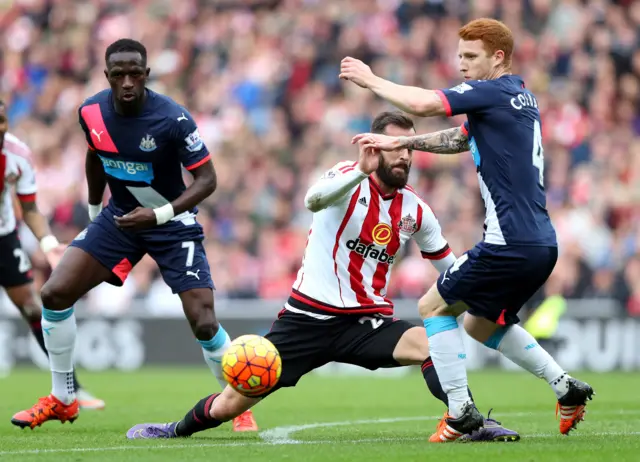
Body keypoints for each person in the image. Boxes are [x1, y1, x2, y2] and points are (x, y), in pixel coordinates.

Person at [125, 111, 519, 443]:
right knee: (233, 401)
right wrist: (359, 171)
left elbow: (449, 272)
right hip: (306, 320)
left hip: (367, 322)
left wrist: (486, 289)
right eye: (394, 146)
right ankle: (173, 431)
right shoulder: (347, 177)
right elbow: (312, 200)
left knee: (432, 346)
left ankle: (470, 422)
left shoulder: (416, 210)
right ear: (373, 148)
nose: (404, 155)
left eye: (409, 148)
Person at [340, 18, 594, 442]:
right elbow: (460, 139)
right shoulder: (518, 99)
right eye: (459, 56)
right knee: (479, 324)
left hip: (508, 241)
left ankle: (460, 414)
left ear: (498, 58)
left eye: (471, 56)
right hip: (540, 244)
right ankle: (566, 387)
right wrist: (402, 144)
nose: (462, 64)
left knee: (432, 308)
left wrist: (371, 80)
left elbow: (423, 104)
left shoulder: (491, 91)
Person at [11, 39, 256, 432]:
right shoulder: (90, 111)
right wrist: (94, 213)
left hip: (171, 223)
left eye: (135, 74)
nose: (127, 82)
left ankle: (235, 402)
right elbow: (96, 155)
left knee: (204, 322)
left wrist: (158, 213)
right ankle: (63, 398)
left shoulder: (172, 119)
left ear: (146, 75)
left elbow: (208, 180)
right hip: (121, 219)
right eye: (119, 75)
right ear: (106, 76)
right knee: (54, 294)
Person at [0, 100, 105, 413]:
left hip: (4, 236)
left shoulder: (17, 154)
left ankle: (71, 387)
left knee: (33, 308)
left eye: (2, 120)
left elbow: (30, 207)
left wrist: (47, 242)